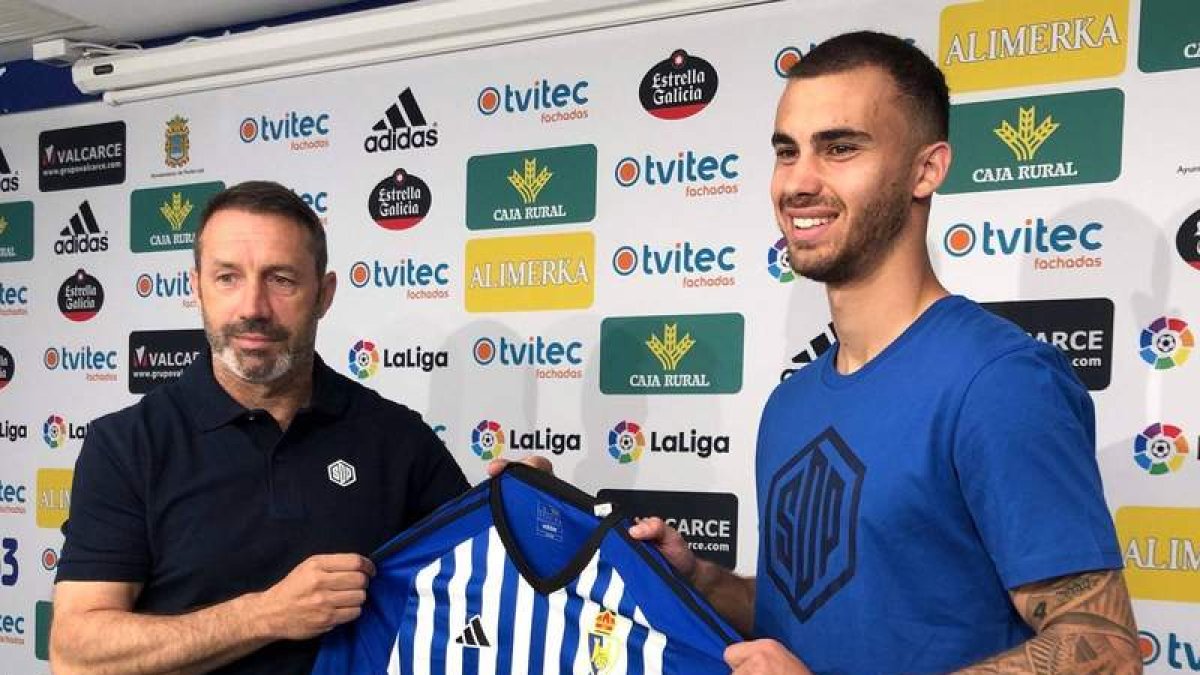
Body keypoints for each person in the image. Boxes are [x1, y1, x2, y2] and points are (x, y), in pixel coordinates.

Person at [631, 32, 1139, 674]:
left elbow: (1106, 650)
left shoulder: (999, 381)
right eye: (787, 151)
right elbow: (822, 618)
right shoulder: (791, 402)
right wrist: (704, 582)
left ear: (927, 170)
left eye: (840, 148)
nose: (799, 181)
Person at [50, 181, 547, 674]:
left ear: (323, 295)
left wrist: (533, 517)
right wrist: (266, 615)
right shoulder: (127, 444)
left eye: (281, 279)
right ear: (196, 287)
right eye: (227, 278)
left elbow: (482, 593)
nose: (253, 308)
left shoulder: (397, 438)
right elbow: (76, 656)